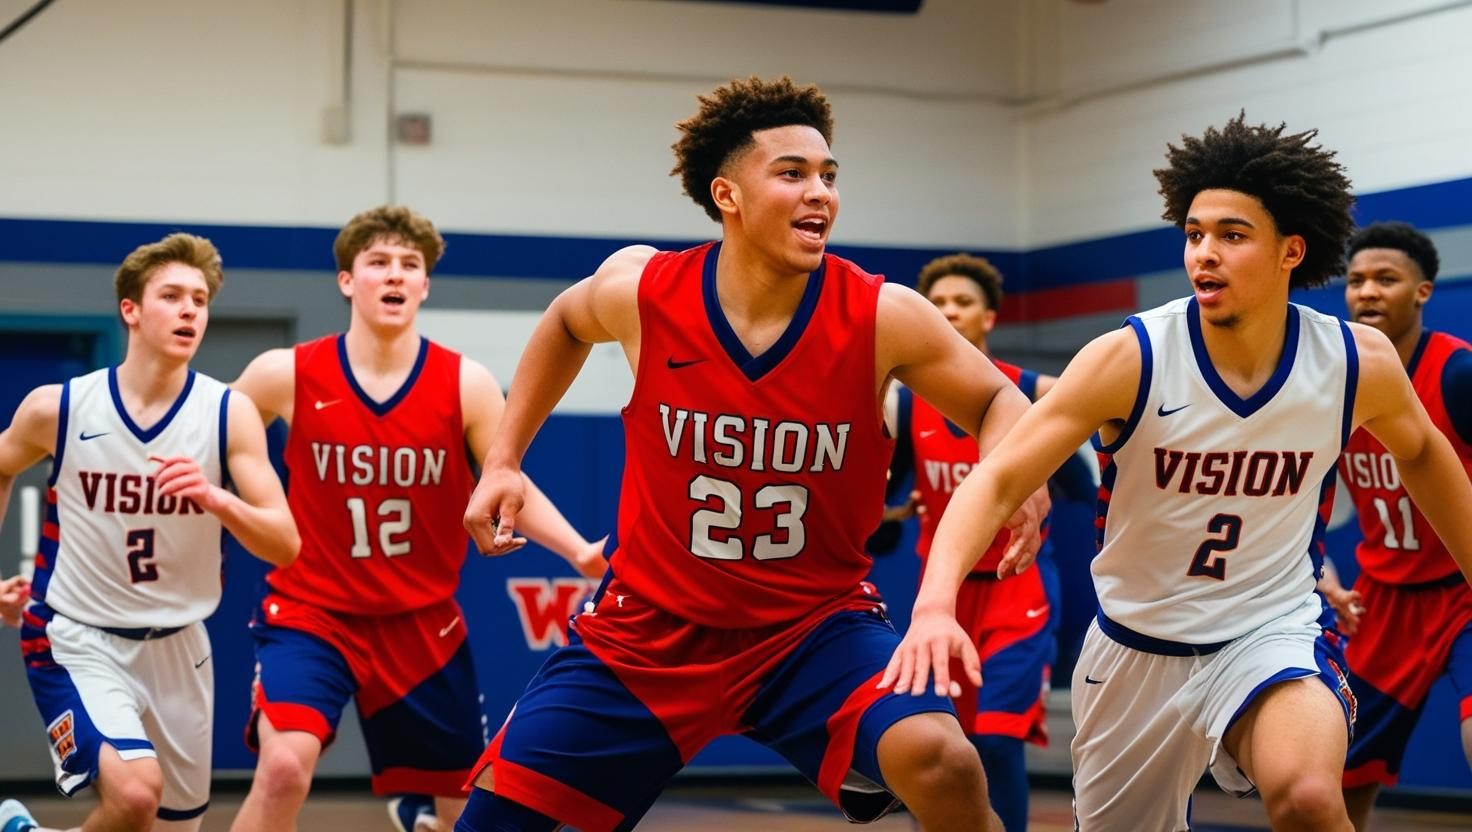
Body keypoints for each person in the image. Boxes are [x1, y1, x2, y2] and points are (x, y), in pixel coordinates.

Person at [457, 75, 1046, 832]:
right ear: (728, 195)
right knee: (495, 821)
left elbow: (1001, 400)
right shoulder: (645, 291)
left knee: (946, 759)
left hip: (813, 629)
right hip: (648, 628)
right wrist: (503, 460)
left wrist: (1014, 471)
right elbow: (566, 324)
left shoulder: (883, 314)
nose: (821, 194)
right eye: (793, 174)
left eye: (830, 176)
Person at [882, 115, 1472, 831]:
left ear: (1292, 249)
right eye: (1194, 234)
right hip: (1136, 648)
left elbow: (1423, 455)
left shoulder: (1355, 363)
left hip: (1271, 630)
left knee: (1311, 798)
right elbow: (999, 478)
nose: (1205, 254)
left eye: (1231, 234)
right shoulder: (1131, 357)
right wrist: (934, 604)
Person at [228, 205, 606, 832]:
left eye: (410, 265)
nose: (394, 275)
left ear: (425, 285)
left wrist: (577, 552)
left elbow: (507, 481)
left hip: (419, 622)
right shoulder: (283, 373)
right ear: (348, 280)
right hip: (311, 612)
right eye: (378, 263)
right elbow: (209, 441)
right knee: (284, 769)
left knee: (466, 807)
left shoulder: (465, 383)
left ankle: (423, 805)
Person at [0, 234, 300, 832]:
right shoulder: (61, 408)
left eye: (199, 299)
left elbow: (284, 542)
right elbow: (3, 463)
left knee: (162, 824)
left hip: (181, 647)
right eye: (172, 296)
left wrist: (215, 498)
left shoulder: (227, 413)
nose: (190, 309)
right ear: (130, 310)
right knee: (137, 796)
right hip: (78, 636)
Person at [881, 253, 1062, 831]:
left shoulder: (1032, 393)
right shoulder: (910, 406)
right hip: (946, 597)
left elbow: (1087, 487)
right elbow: (881, 520)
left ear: (989, 317)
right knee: (937, 751)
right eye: (939, 304)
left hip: (1018, 592)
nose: (950, 312)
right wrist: (889, 517)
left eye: (962, 302)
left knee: (998, 740)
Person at [1315, 221, 1472, 830]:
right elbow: (1296, 499)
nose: (1367, 293)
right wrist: (1321, 575)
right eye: (1355, 281)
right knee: (1334, 783)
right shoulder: (1336, 385)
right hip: (1381, 604)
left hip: (1463, 591)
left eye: (1386, 279)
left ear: (1423, 292)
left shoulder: (1457, 374)